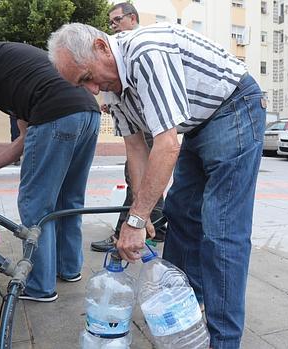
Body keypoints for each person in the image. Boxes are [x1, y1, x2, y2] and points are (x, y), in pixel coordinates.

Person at [48, 22, 265, 348]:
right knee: (180, 213)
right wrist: (142, 211)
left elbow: (166, 145)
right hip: (197, 123)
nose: (92, 90)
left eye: (87, 78)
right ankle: (186, 314)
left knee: (221, 230)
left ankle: (223, 341)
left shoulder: (146, 52)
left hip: (234, 106)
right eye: (83, 85)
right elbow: (136, 149)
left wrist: (135, 221)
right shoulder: (110, 86)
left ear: (101, 48)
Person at [0, 42, 100, 302]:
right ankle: (69, 269)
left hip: (57, 114)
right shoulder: (16, 72)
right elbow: (27, 137)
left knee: (35, 204)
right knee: (69, 200)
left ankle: (39, 286)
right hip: (88, 114)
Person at [90, 1, 167, 253]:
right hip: (140, 124)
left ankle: (141, 228)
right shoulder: (118, 56)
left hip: (152, 124)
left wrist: (137, 219)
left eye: (117, 20)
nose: (113, 26)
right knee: (140, 175)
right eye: (110, 23)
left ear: (132, 18)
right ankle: (150, 225)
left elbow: (167, 146)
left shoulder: (140, 48)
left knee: (145, 176)